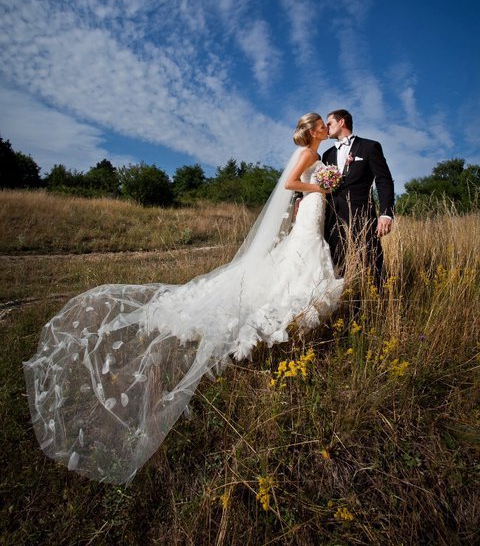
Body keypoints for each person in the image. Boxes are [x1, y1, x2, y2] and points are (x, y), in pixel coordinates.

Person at [23, 113, 343, 485]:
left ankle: (295, 324)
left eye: (325, 125)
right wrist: (321, 189)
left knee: (297, 263)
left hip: (311, 219)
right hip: (310, 214)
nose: (324, 128)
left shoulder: (317, 155)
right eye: (321, 125)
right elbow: (291, 183)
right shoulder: (308, 154)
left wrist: (317, 192)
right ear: (313, 130)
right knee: (295, 267)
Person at [322, 109, 394, 283]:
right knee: (336, 260)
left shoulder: (370, 146)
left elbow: (384, 180)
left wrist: (386, 213)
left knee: (370, 257)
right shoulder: (327, 155)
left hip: (361, 215)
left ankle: (375, 297)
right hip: (333, 217)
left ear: (342, 122)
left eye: (329, 123)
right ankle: (344, 300)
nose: (326, 127)